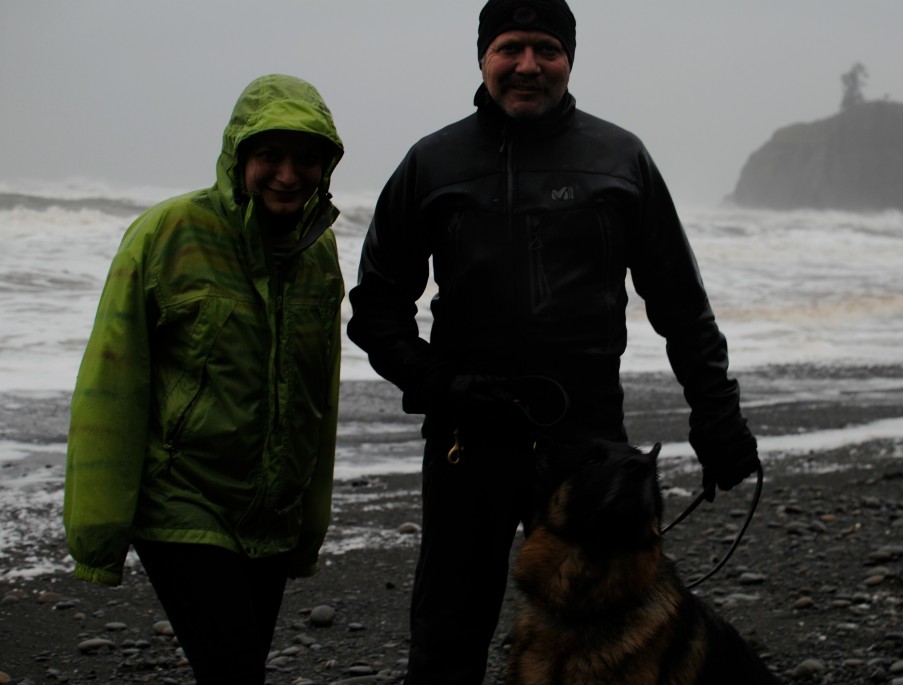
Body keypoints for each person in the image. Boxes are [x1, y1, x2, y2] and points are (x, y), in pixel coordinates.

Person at [347, 1, 760, 682]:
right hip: (467, 436)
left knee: (613, 632)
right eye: (511, 47)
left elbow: (681, 302)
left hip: (589, 440)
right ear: (483, 57)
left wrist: (718, 414)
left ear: (570, 57)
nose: (528, 66)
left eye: (547, 48)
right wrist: (438, 382)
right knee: (447, 636)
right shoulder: (433, 161)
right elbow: (375, 307)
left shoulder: (619, 157)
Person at [64, 73, 345, 685]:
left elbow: (319, 400)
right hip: (183, 499)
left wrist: (308, 522)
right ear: (238, 155)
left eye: (307, 158)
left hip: (271, 509)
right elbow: (113, 381)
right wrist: (98, 529)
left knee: (238, 669)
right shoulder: (167, 234)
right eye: (270, 155)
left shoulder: (318, 254)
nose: (288, 175)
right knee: (233, 669)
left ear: (327, 165)